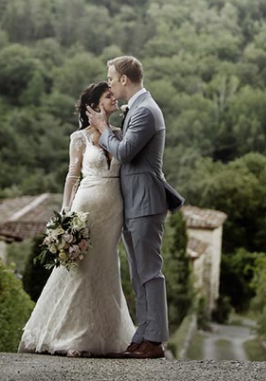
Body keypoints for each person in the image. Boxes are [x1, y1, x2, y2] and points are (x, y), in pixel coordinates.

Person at [18, 82, 136, 357]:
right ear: (94, 105)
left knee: (106, 268)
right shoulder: (78, 138)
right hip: (85, 206)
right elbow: (72, 175)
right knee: (80, 269)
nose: (114, 99)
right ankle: (72, 335)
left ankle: (103, 334)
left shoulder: (120, 135)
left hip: (113, 209)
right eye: (109, 96)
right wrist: (65, 212)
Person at [87, 56, 184, 360]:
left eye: (112, 79)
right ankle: (143, 334)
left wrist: (103, 128)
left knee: (150, 272)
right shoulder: (139, 109)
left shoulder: (146, 110)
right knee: (138, 273)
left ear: (125, 80)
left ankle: (155, 341)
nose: (111, 85)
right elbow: (127, 143)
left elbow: (127, 152)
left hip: (145, 201)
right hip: (133, 202)